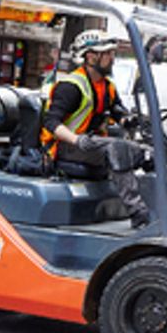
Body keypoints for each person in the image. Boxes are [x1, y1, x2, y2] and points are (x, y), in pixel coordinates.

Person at [40, 29, 150, 229]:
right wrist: (77, 140)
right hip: (65, 147)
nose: (112, 58)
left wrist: (128, 120)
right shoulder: (71, 86)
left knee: (146, 153)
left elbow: (118, 113)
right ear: (91, 56)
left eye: (112, 53)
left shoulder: (107, 86)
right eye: (107, 53)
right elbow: (51, 122)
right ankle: (139, 214)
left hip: (91, 145)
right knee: (116, 149)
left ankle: (162, 206)